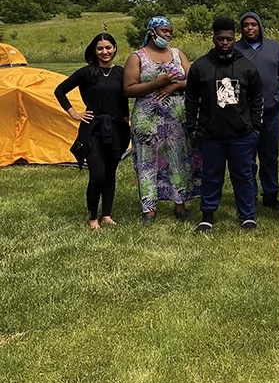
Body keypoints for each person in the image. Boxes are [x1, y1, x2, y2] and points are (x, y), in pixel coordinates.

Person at [185, 17, 264, 233]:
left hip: (242, 134)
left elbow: (257, 98)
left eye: (229, 38)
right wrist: (192, 125)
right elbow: (191, 97)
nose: (225, 42)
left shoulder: (246, 66)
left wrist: (255, 126)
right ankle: (207, 215)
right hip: (210, 134)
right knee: (211, 174)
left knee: (244, 174)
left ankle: (247, 215)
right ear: (214, 39)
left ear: (234, 38)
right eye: (220, 39)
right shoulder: (201, 66)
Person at [123, 15, 199, 225]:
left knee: (178, 158)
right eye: (164, 31)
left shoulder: (177, 54)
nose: (168, 35)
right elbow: (129, 89)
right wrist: (158, 82)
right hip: (147, 118)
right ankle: (149, 209)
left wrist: (175, 86)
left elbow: (193, 80)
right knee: (147, 160)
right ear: (152, 32)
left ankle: (180, 205)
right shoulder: (137, 57)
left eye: (170, 31)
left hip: (176, 117)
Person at [54, 34, 130, 230]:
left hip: (116, 129)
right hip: (93, 128)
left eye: (108, 47)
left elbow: (124, 102)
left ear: (115, 49)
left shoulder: (122, 73)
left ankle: (107, 215)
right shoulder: (86, 73)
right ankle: (92, 217)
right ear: (94, 51)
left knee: (111, 173)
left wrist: (127, 121)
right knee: (97, 174)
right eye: (100, 48)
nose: (104, 52)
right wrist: (74, 113)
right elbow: (60, 90)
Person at [236, 11, 279, 210]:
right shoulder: (236, 49)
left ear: (260, 26)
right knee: (247, 157)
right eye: (246, 25)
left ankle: (271, 195)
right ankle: (250, 196)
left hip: (271, 111)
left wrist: (277, 98)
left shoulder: (275, 48)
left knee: (269, 155)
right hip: (244, 113)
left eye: (253, 24)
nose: (250, 28)